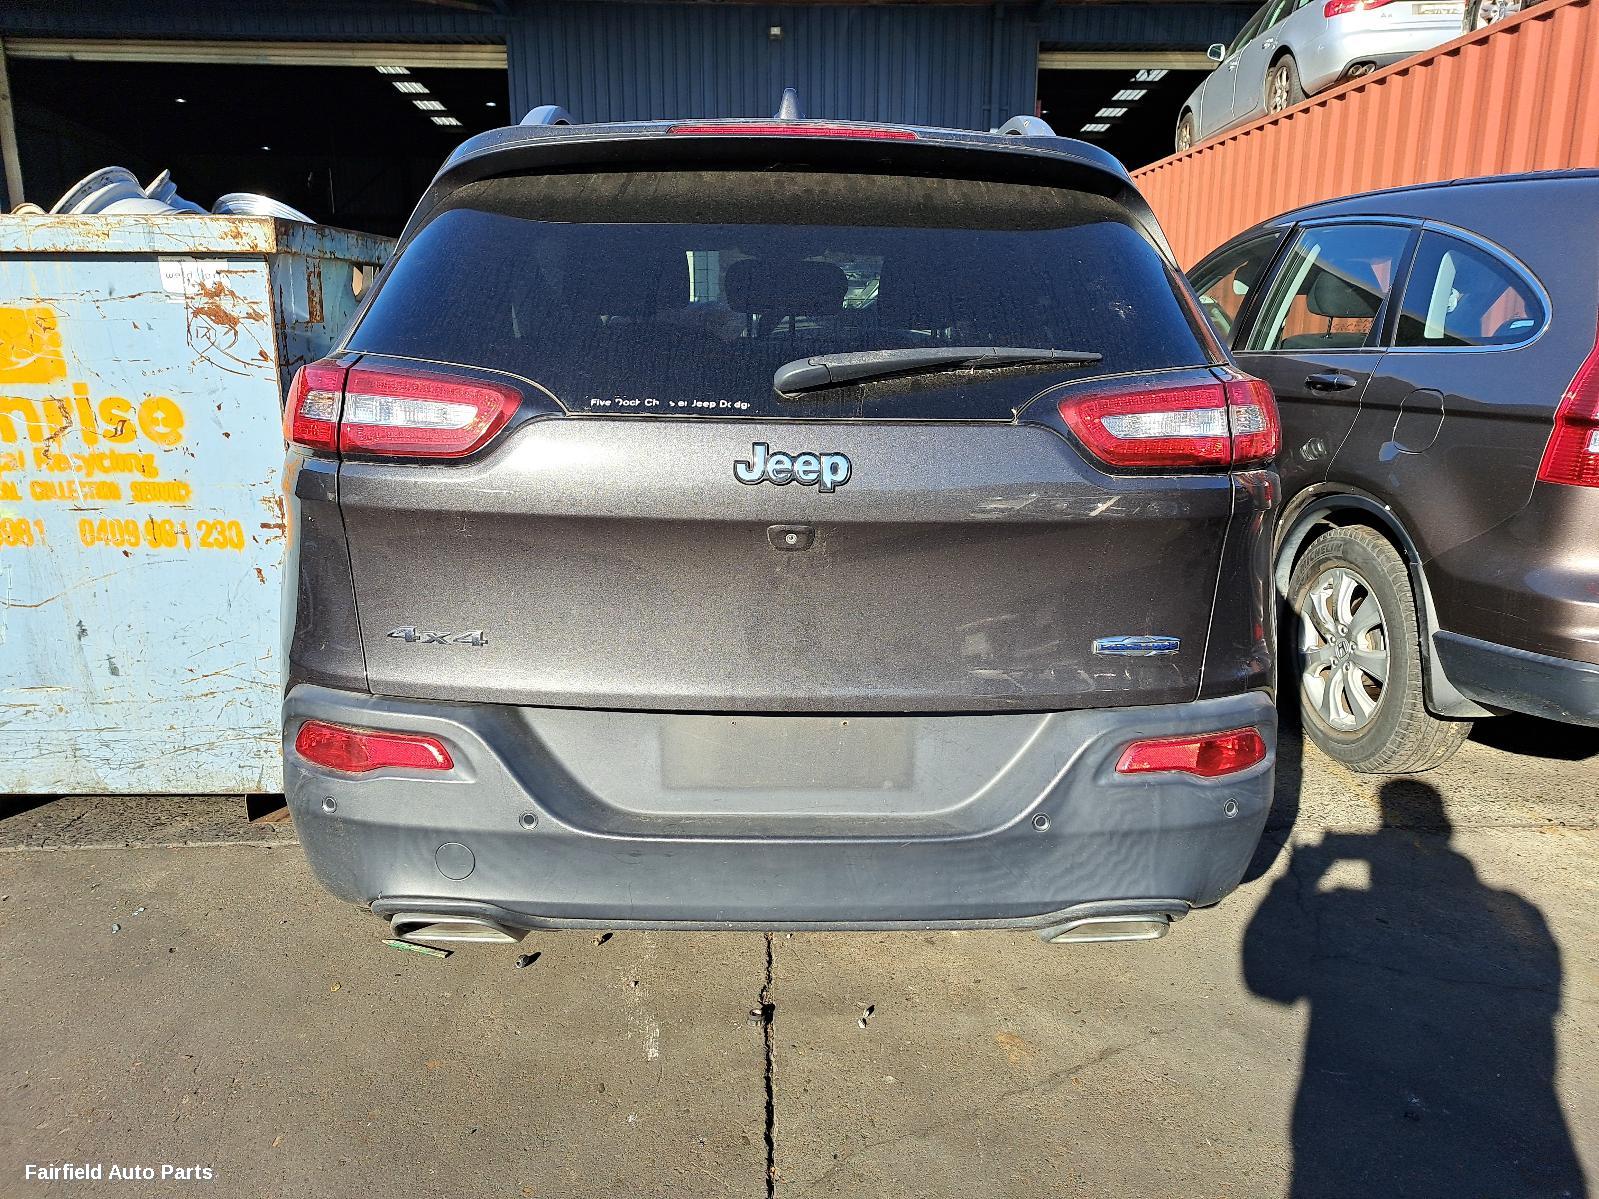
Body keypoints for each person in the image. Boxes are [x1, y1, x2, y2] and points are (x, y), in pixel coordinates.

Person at [1243, 779, 1585, 1198]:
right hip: (1536, 1134)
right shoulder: (1522, 912)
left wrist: (1303, 874)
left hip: (1346, 1142)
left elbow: (1267, 983)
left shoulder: (1342, 909)